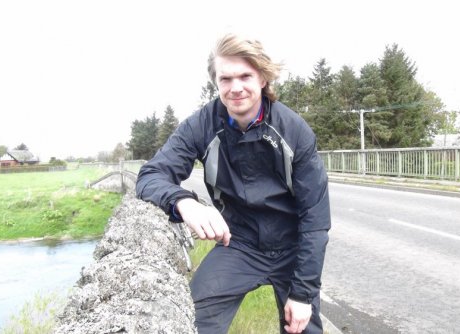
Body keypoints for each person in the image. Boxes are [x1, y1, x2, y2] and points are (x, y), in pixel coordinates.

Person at [136, 33, 331, 334]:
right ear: (216, 82)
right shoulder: (200, 125)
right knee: (189, 317)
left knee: (302, 327)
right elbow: (151, 175)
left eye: (245, 76)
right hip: (239, 243)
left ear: (263, 78)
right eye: (226, 79)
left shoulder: (295, 132)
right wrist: (183, 202)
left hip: (292, 246)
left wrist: (303, 294)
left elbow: (315, 220)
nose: (236, 87)